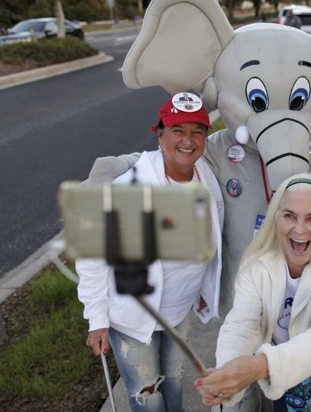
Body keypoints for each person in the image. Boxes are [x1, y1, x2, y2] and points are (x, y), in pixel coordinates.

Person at [76, 93, 224, 412]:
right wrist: (96, 319)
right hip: (133, 316)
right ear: (159, 133)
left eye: (197, 131)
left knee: (173, 379)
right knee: (147, 395)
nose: (188, 140)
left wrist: (203, 285)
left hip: (178, 310)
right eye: (177, 130)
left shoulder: (205, 176)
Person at [194, 173, 311, 410]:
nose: (299, 229)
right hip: (285, 385)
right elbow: (242, 325)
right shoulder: (257, 266)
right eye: (289, 215)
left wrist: (259, 367)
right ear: (275, 219)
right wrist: (227, 378)